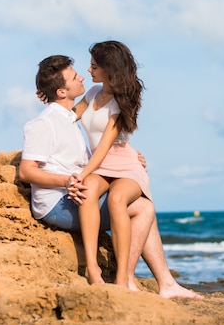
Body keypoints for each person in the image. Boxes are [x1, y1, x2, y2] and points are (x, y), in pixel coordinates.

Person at [19, 54, 203, 299]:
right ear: (62, 91)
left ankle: (163, 282)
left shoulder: (68, 116)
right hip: (58, 202)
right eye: (75, 76)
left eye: (89, 68)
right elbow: (26, 171)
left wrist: (129, 152)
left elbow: (100, 141)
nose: (83, 74)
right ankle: (120, 278)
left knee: (136, 204)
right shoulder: (46, 122)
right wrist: (68, 180)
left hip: (83, 184)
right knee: (143, 209)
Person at [67, 41, 150, 287]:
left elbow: (103, 147)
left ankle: (123, 277)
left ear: (108, 69)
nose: (89, 71)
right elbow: (70, 115)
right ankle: (93, 269)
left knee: (116, 200)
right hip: (99, 167)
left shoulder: (118, 102)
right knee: (88, 191)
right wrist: (51, 101)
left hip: (125, 167)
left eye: (94, 66)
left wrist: (82, 173)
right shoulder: (92, 94)